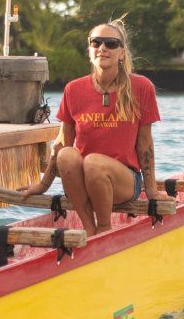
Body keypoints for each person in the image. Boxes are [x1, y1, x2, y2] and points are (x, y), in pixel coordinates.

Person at [17, 21, 164, 233]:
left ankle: (104, 228)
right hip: (83, 180)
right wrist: (43, 184)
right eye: (96, 42)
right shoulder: (73, 89)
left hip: (124, 181)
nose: (102, 48)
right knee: (68, 155)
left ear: (122, 53)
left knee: (94, 162)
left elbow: (145, 144)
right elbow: (61, 143)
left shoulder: (141, 87)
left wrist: (151, 190)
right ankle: (89, 230)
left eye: (111, 43)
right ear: (89, 49)